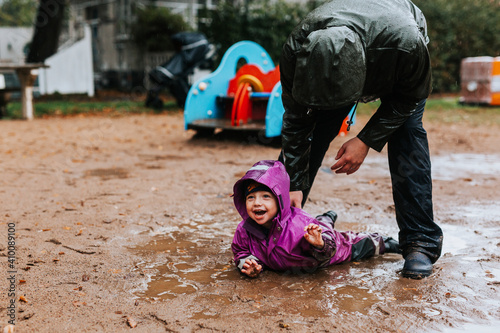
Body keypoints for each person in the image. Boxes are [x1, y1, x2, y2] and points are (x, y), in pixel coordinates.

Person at [278, 0, 443, 279]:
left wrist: (365, 140)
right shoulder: (297, 48)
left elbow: (410, 98)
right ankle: (280, 228)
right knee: (315, 129)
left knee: (407, 136)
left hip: (395, 57)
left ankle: (420, 243)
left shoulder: (407, 43)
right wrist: (293, 180)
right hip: (343, 55)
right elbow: (296, 120)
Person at [231, 160, 400, 278]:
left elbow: (328, 248)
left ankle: (387, 242)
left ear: (281, 200)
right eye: (250, 198)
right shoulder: (244, 230)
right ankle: (326, 218)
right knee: (319, 225)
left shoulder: (300, 224)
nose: (256, 203)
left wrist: (320, 244)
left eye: (266, 196)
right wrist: (247, 264)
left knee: (352, 244)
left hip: (325, 255)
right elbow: (240, 252)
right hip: (302, 243)